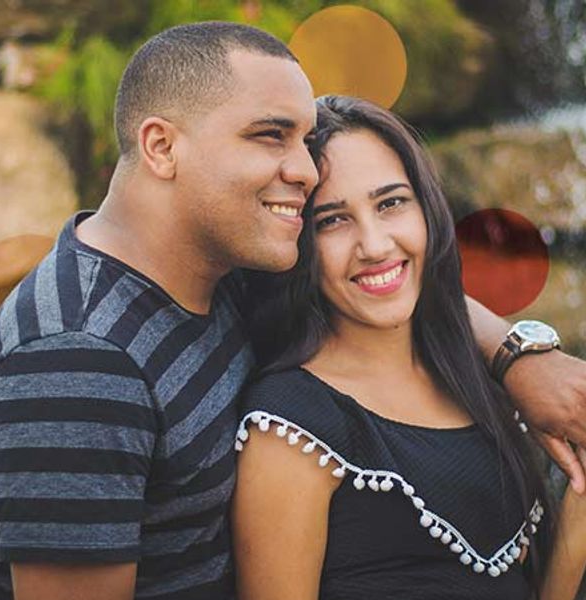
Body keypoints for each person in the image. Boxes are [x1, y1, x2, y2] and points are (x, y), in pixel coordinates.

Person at [0, 21, 586, 600]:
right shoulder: (77, 363)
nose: (307, 169)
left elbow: (392, 287)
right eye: (270, 135)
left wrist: (520, 357)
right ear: (160, 146)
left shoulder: (216, 269)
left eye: (305, 140)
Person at [233, 95, 586, 600]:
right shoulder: (290, 426)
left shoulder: (478, 377)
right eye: (332, 220)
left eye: (391, 202)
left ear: (428, 208)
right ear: (300, 241)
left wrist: (576, 519)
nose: (375, 245)